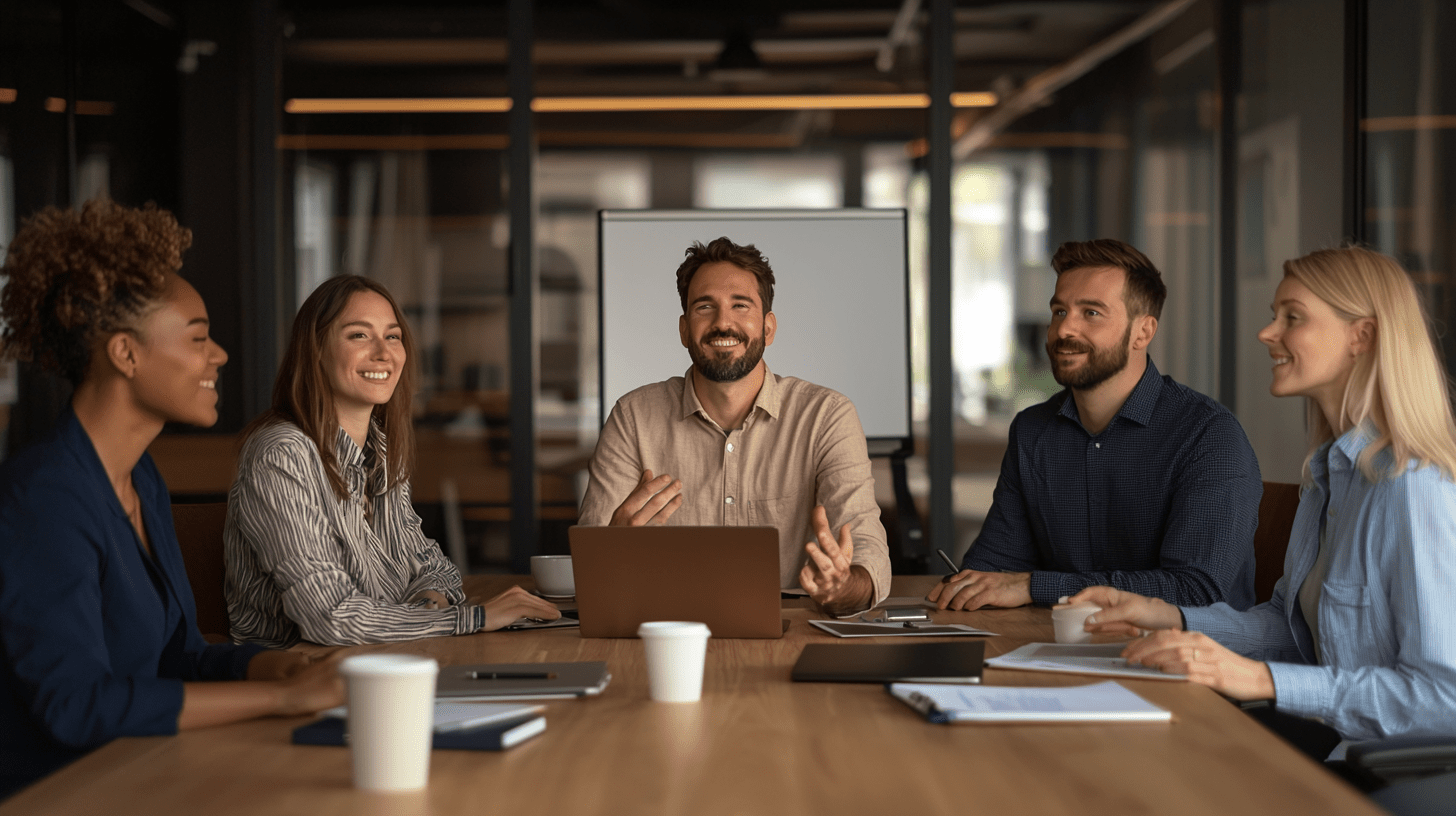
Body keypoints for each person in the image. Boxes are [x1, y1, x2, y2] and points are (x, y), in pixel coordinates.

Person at [0, 201, 343, 800]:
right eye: (199, 338)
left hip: (145, 775)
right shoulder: (43, 498)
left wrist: (279, 666)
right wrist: (282, 698)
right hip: (62, 796)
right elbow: (76, 706)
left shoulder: (143, 479)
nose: (219, 356)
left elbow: (178, 656)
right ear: (125, 354)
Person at [1068, 246, 1456, 747]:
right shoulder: (1327, 477)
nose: (1267, 333)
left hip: (1383, 777)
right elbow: (1291, 632)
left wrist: (1258, 680)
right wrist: (1166, 615)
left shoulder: (1415, 487)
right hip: (1322, 748)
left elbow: (1443, 697)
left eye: (1292, 317)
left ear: (1361, 336)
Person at [224, 275, 559, 648]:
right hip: (298, 677)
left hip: (385, 656)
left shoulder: (380, 451)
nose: (384, 353)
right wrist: (473, 618)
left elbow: (435, 569)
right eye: (359, 335)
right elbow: (331, 618)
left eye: (393, 336)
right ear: (315, 348)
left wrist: (427, 611)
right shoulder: (282, 455)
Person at [930, 239, 1261, 612]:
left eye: (1091, 313)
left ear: (1143, 332)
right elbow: (995, 571)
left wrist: (1037, 586)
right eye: (1059, 311)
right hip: (1058, 652)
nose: (1064, 330)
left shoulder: (1208, 436)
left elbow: (1196, 590)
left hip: (1188, 661)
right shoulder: (1033, 432)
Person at [577, 237, 891, 616]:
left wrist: (842, 587)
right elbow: (591, 568)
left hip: (787, 633)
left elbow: (868, 552)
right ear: (683, 330)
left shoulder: (827, 416)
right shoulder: (633, 416)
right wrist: (613, 551)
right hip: (666, 628)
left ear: (768, 328)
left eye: (740, 306)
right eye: (704, 307)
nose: (722, 322)